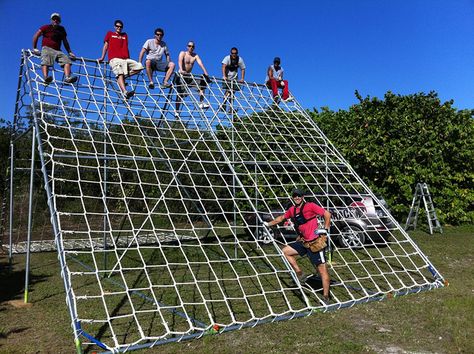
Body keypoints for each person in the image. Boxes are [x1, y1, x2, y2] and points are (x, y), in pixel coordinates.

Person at [263, 188, 332, 303]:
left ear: (303, 197)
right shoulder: (292, 210)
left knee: (322, 271)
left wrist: (325, 229)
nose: (297, 198)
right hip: (304, 242)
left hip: (315, 243)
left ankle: (326, 297)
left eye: (299, 196)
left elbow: (327, 214)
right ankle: (300, 273)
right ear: (292, 198)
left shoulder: (311, 206)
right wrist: (268, 224)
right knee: (285, 251)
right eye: (295, 196)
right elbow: (281, 218)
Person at [98, 20, 144, 99]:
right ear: (114, 27)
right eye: (117, 26)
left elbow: (126, 47)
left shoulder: (125, 35)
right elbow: (106, 46)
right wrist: (102, 57)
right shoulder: (110, 34)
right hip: (114, 59)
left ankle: (122, 78)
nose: (119, 28)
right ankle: (125, 92)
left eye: (120, 26)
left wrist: (128, 57)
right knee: (120, 73)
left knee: (139, 67)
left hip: (125, 59)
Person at [32, 13, 77, 84]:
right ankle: (46, 77)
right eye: (54, 19)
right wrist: (34, 48)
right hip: (47, 48)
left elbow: (65, 41)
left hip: (58, 50)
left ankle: (67, 77)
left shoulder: (62, 29)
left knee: (67, 61)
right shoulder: (45, 27)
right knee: (46, 61)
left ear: (60, 21)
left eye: (57, 19)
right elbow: (36, 35)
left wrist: (69, 52)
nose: (56, 20)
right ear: (51, 20)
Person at [174, 41, 210, 116]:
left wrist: (205, 72)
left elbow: (200, 63)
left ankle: (201, 103)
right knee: (180, 94)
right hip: (180, 76)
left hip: (188, 76)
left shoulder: (195, 56)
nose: (191, 47)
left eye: (192, 46)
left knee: (202, 83)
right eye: (189, 46)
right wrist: (181, 69)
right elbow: (179, 61)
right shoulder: (183, 53)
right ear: (187, 46)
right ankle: (176, 111)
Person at [221, 47, 246, 111]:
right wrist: (224, 76)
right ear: (231, 53)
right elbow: (223, 66)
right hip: (227, 77)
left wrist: (242, 78)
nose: (234, 54)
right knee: (227, 91)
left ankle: (230, 107)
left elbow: (243, 69)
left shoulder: (239, 59)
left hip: (235, 78)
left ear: (237, 53)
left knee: (232, 93)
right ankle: (224, 104)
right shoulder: (227, 58)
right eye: (232, 53)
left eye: (235, 53)